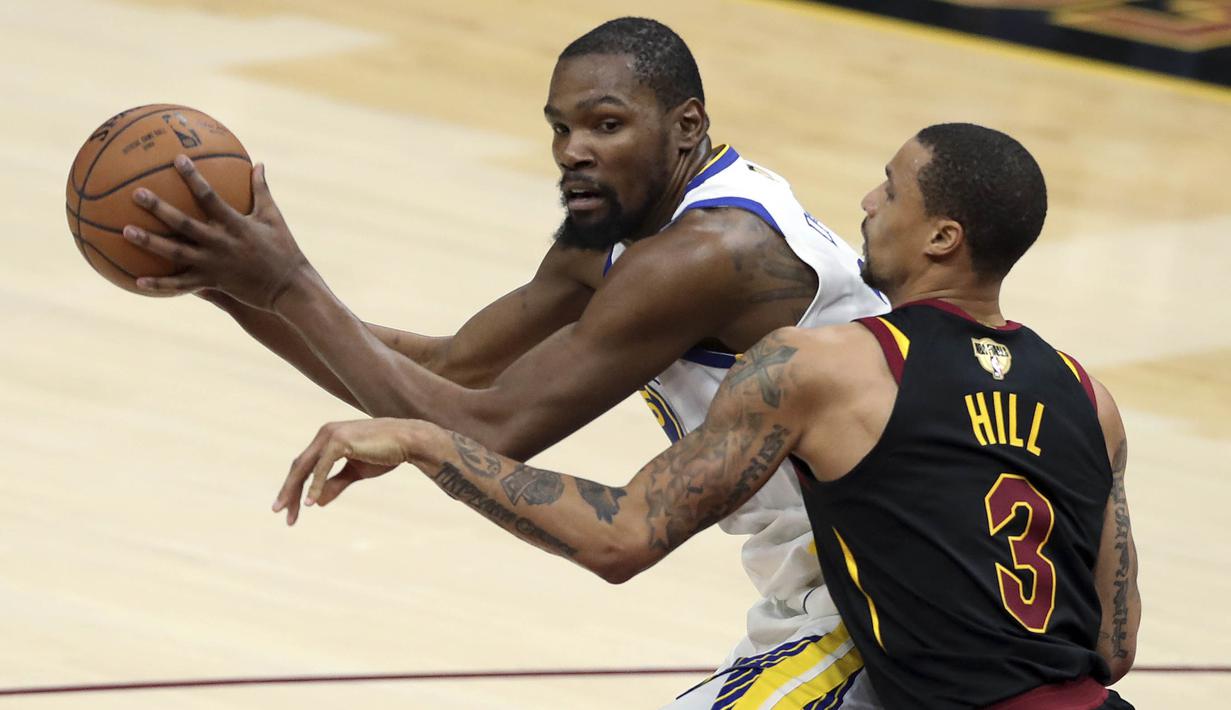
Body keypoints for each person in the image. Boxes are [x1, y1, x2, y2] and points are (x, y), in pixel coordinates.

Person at [121, 17, 888, 707]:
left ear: (685, 125)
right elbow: (457, 371)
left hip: (878, 601)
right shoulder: (626, 228)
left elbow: (491, 429)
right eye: (559, 128)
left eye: (606, 124)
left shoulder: (711, 251)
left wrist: (284, 283)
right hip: (817, 598)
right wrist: (230, 286)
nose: (573, 151)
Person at [274, 123, 1141, 709]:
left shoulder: (825, 365)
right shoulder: (1087, 400)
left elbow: (620, 534)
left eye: (889, 188)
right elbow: (1113, 639)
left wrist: (430, 441)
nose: (870, 203)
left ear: (941, 237)